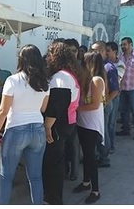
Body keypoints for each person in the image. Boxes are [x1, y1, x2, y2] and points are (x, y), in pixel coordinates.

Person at [0, 44, 50, 205]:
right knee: (36, 177)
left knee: (6, 176)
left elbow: (3, 110)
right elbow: (43, 108)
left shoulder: (13, 80)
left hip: (16, 130)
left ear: (21, 60)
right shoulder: (44, 83)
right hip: (38, 130)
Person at [42, 40, 83, 205]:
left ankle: (53, 199)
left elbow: (55, 107)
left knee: (52, 163)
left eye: (50, 54)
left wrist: (47, 127)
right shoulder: (68, 74)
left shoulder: (60, 78)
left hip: (58, 126)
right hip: (67, 123)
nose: (47, 58)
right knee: (57, 161)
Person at [74, 51, 106, 204]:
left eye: (84, 61)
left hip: (91, 125)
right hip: (83, 123)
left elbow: (94, 105)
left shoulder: (96, 80)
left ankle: (96, 190)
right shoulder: (89, 80)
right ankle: (86, 182)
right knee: (86, 156)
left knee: (90, 157)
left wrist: (75, 109)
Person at [116, 37, 134, 141]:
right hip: (123, 88)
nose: (123, 46)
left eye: (125, 44)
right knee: (124, 110)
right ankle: (126, 129)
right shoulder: (120, 57)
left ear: (130, 44)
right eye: (122, 45)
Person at [97, 42, 120, 167]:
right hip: (100, 103)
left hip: (106, 103)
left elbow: (115, 90)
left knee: (104, 130)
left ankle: (104, 157)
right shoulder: (99, 66)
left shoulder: (108, 67)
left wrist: (105, 103)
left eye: (96, 51)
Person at [63, 38, 81, 181]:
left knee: (74, 145)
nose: (72, 54)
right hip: (64, 114)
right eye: (69, 51)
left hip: (78, 111)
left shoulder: (81, 68)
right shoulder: (60, 68)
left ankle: (74, 172)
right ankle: (65, 169)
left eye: (74, 51)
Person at [105, 41, 121, 153]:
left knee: (110, 123)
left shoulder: (118, 65)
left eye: (108, 51)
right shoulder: (104, 64)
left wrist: (106, 102)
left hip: (112, 97)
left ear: (114, 52)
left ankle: (110, 145)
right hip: (107, 97)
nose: (106, 53)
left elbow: (115, 89)